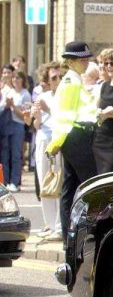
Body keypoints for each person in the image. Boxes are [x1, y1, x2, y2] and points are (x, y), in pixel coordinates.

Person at [47, 41, 99, 241]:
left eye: (87, 59)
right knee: (90, 183)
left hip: (75, 136)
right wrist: (56, 142)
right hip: (75, 137)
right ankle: (90, 230)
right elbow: (65, 117)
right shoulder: (72, 82)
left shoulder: (73, 80)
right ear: (70, 61)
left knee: (71, 186)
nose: (86, 62)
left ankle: (70, 233)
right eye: (81, 59)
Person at [30, 62, 63, 237]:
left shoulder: (63, 96)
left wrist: (47, 109)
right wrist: (37, 115)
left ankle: (58, 225)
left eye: (60, 77)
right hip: (43, 138)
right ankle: (49, 224)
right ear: (47, 81)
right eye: (54, 78)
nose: (58, 80)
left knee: (58, 180)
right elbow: (36, 125)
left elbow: (62, 118)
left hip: (58, 139)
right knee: (44, 181)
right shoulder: (42, 96)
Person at [1, 69, 31, 190]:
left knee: (16, 155)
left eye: (18, 78)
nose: (15, 80)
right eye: (14, 78)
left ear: (23, 80)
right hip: (6, 125)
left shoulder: (25, 94)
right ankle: (5, 181)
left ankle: (14, 182)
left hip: (18, 126)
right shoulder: (9, 92)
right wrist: (7, 105)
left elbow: (25, 116)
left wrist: (13, 106)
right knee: (5, 155)